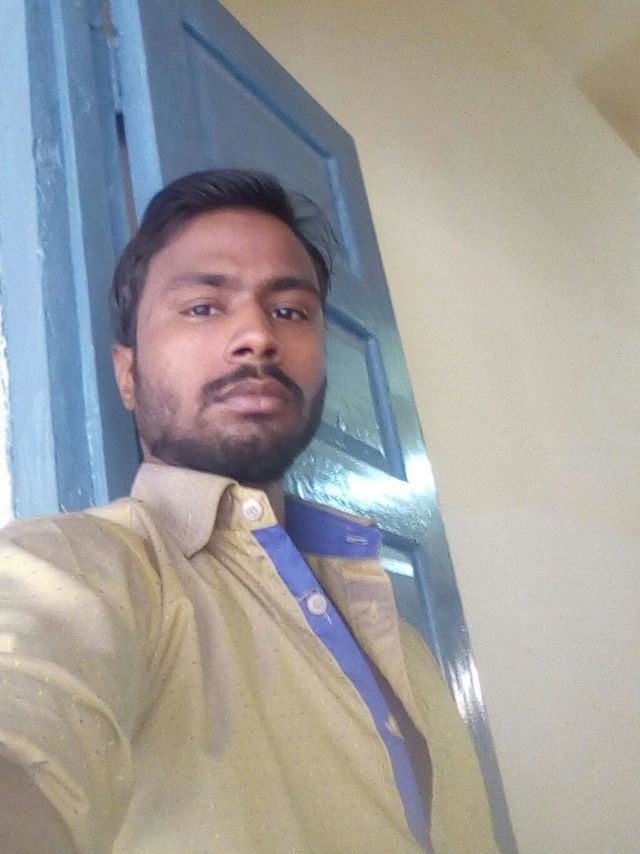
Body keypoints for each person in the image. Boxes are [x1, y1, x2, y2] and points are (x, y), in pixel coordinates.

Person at [0, 170, 498, 853]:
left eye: (289, 311)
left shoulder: (398, 637)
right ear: (127, 373)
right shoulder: (81, 566)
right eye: (204, 307)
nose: (258, 336)